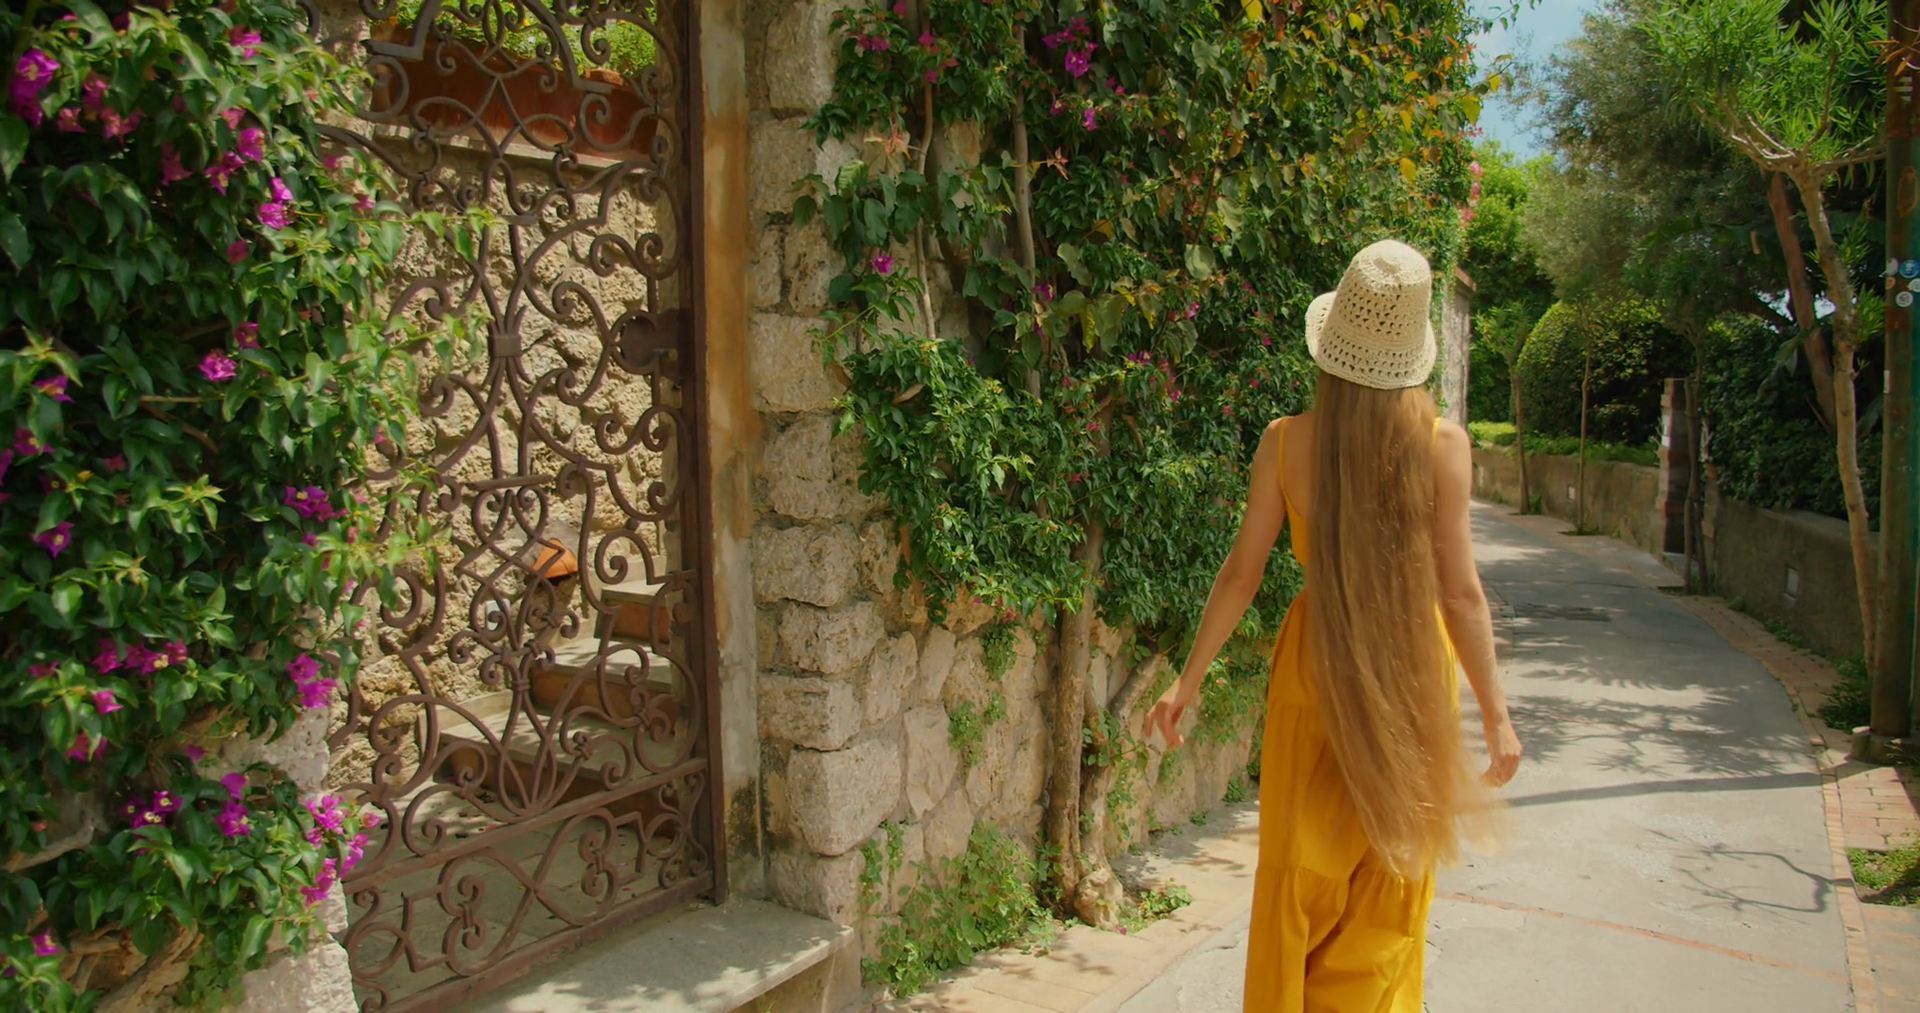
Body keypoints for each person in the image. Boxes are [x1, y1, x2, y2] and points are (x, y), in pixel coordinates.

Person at [1146, 239, 1523, 1013]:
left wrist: (1188, 680)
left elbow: (1242, 573)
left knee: (1299, 871)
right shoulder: (1445, 447)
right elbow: (1460, 595)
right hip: (1413, 668)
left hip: (1313, 668)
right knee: (1392, 877)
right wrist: (1495, 713)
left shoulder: (1286, 441)